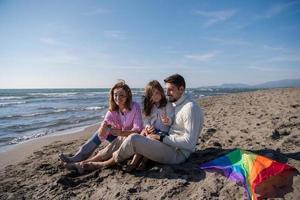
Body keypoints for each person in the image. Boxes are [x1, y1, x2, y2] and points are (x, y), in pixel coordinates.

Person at [80, 74, 204, 171]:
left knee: (133, 138)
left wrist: (160, 137)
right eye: (165, 90)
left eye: (170, 90)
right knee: (128, 137)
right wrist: (148, 130)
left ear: (181, 89)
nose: (166, 93)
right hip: (169, 145)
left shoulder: (190, 108)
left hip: (177, 154)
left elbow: (190, 144)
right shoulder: (175, 104)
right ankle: (94, 158)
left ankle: (103, 164)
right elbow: (157, 118)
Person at [59, 80, 143, 170]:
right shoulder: (112, 110)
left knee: (121, 138)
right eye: (115, 95)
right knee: (101, 131)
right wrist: (103, 127)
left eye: (121, 95)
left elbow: (137, 130)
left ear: (127, 96)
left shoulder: (135, 107)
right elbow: (105, 125)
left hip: (131, 139)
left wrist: (121, 132)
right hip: (118, 138)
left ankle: (83, 163)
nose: (118, 98)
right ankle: (79, 156)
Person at [128, 80, 175, 170]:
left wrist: (166, 120)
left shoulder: (167, 104)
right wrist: (148, 127)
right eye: (152, 94)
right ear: (149, 96)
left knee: (150, 138)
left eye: (157, 93)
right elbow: (146, 120)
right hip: (152, 130)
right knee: (142, 134)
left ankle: (144, 162)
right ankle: (134, 161)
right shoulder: (149, 106)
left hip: (163, 132)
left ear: (161, 92)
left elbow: (171, 119)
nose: (155, 96)